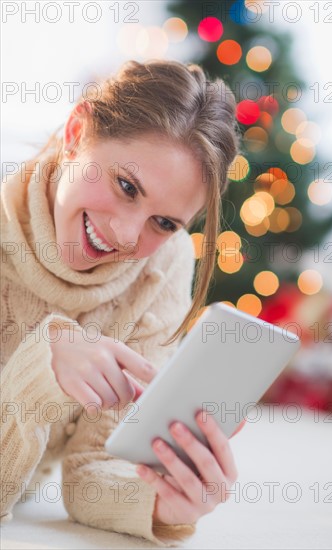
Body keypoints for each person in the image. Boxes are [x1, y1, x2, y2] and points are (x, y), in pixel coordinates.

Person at [0, 59, 244, 546]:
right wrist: (41, 370)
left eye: (165, 223)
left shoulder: (163, 266)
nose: (128, 236)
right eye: (126, 186)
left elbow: (94, 465)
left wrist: (153, 500)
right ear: (76, 131)